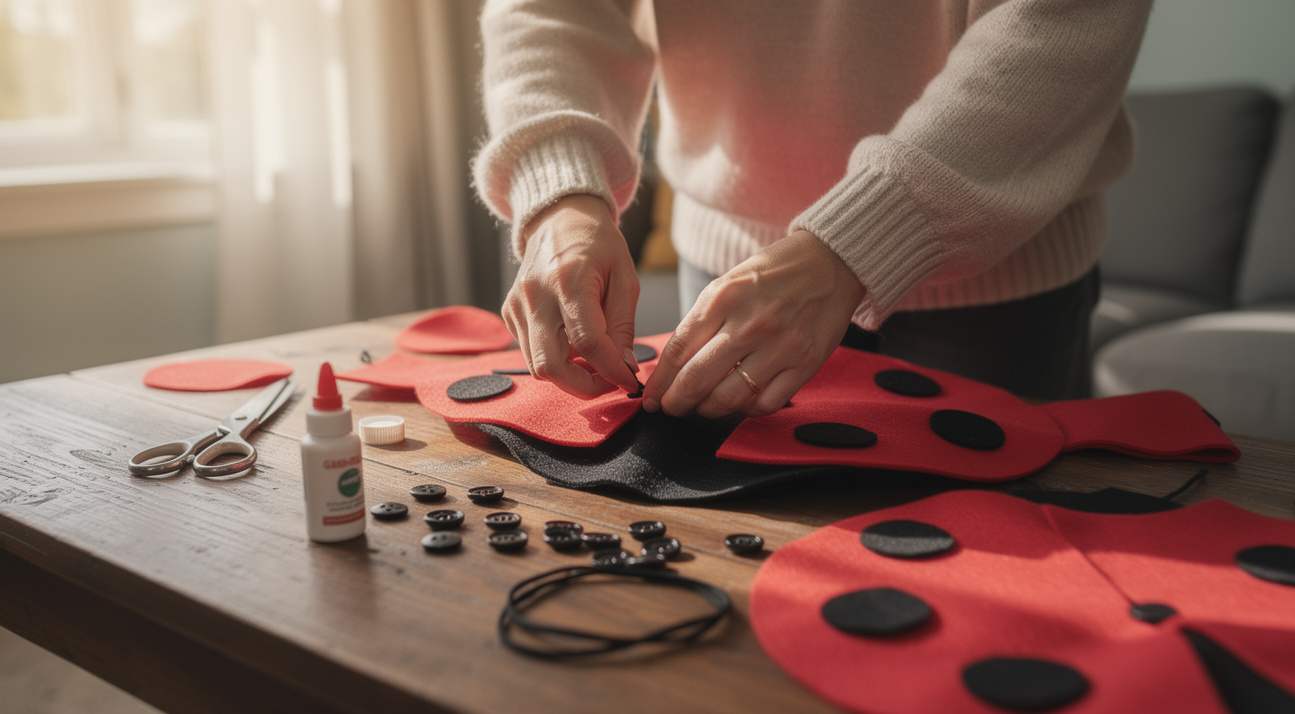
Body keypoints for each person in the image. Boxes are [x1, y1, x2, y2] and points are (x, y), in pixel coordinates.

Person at [474, 0, 1153, 418]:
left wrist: (861, 240)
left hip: (997, 290)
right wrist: (559, 191)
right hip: (726, 264)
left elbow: (1063, 16)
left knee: (1001, 586)